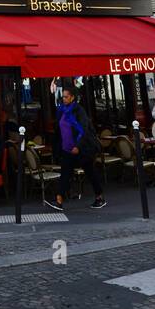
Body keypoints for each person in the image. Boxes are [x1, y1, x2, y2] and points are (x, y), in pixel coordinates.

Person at [46, 82, 106, 213]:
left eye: (66, 97)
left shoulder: (79, 111)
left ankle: (99, 197)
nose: (64, 99)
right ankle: (59, 200)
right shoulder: (62, 111)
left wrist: (78, 146)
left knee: (90, 172)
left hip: (81, 149)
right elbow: (59, 130)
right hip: (68, 149)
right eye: (63, 97)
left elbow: (83, 129)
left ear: (73, 97)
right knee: (65, 174)